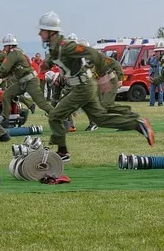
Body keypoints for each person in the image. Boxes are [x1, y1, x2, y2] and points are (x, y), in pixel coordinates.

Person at [37, 11, 154, 161]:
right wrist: (45, 65)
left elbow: (93, 53)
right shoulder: (55, 48)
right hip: (84, 86)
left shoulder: (66, 46)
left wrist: (103, 75)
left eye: (42, 30)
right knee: (100, 119)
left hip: (82, 87)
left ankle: (62, 152)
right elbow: (55, 59)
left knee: (54, 116)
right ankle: (138, 125)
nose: (40, 33)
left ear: (51, 32)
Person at [0, 34, 53, 121]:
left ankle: (60, 117)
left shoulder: (14, 53)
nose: (4, 48)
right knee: (6, 95)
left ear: (10, 46)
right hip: (23, 82)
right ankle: (5, 118)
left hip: (30, 81)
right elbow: (8, 71)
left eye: (5, 46)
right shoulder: (14, 53)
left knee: (41, 103)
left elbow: (4, 68)